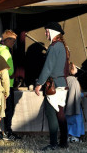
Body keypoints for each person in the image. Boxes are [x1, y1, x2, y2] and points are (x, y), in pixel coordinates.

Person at [35, 22, 69, 151]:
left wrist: (39, 84)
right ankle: (64, 142)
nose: (45, 34)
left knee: (51, 114)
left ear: (53, 32)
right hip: (61, 84)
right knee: (60, 114)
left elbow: (48, 68)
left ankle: (54, 143)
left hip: (55, 85)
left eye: (47, 31)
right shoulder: (61, 46)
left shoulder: (55, 47)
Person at [0, 29, 19, 140]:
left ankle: (4, 131)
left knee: (4, 109)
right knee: (8, 109)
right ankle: (8, 132)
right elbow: (3, 68)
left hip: (6, 84)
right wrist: (11, 75)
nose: (14, 43)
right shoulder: (5, 51)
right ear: (7, 40)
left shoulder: (1, 50)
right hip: (6, 85)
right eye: (13, 41)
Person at [65, 62, 85, 143]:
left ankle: (69, 135)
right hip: (75, 105)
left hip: (67, 104)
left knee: (69, 121)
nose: (77, 69)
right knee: (77, 120)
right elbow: (77, 94)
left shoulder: (66, 79)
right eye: (75, 68)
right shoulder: (74, 81)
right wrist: (83, 95)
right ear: (72, 70)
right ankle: (75, 136)